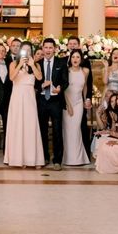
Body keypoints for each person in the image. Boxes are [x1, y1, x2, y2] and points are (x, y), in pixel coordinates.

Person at [4, 41, 44, 168]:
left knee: (31, 126)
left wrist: (32, 65)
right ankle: (18, 159)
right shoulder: (13, 63)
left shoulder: (36, 64)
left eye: (28, 50)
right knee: (17, 125)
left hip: (29, 97)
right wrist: (20, 64)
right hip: (17, 97)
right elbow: (11, 78)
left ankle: (33, 159)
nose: (26, 52)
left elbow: (39, 78)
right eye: (24, 50)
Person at [35, 38, 69, 170]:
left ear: (54, 49)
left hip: (55, 101)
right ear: (42, 48)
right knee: (42, 130)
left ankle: (57, 160)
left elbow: (65, 81)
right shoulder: (37, 64)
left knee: (57, 130)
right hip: (42, 100)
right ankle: (44, 157)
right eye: (46, 47)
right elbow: (35, 83)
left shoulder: (61, 63)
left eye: (50, 47)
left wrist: (60, 88)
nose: (48, 50)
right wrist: (41, 86)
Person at [62, 49, 90, 165]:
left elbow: (85, 87)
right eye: (73, 57)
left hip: (79, 103)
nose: (75, 59)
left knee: (76, 129)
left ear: (81, 59)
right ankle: (68, 158)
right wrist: (68, 105)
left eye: (78, 57)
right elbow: (63, 89)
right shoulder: (66, 71)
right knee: (68, 130)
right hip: (67, 103)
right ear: (70, 59)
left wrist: (85, 101)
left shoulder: (85, 71)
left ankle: (79, 159)